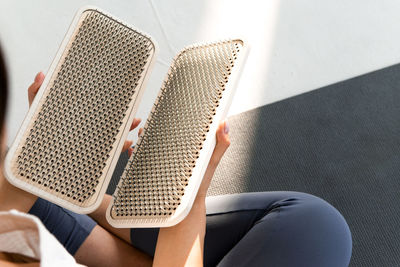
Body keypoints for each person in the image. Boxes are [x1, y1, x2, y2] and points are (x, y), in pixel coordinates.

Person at [0, 47, 352, 266]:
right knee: (320, 229)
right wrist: (186, 200)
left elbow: (108, 259)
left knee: (312, 223)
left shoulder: (12, 229)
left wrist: (58, 180)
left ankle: (69, 192)